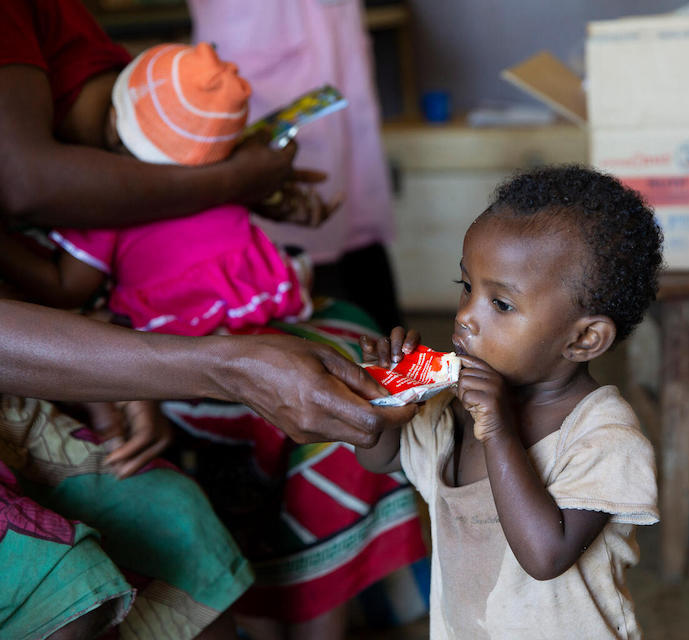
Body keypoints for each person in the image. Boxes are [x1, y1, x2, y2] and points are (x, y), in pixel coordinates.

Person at [0, 1, 415, 636]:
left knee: (342, 379)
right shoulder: (175, 186)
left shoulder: (117, 200)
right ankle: (354, 603)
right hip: (213, 334)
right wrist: (237, 182)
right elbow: (29, 186)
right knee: (344, 398)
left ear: (118, 138)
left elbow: (61, 279)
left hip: (171, 340)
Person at [356, 165, 663, 639]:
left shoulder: (604, 438)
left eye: (500, 305)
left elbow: (546, 555)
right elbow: (381, 458)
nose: (464, 319)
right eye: (466, 288)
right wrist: (387, 400)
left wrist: (498, 430)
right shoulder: (451, 410)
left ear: (583, 340)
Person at [0, 42, 316, 336]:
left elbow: (66, 288)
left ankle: (136, 397)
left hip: (173, 334)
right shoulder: (230, 187)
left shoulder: (106, 203)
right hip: (261, 304)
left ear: (113, 121)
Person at [189, 0, 404, 333]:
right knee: (287, 266)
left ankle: (392, 362)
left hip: (332, 44)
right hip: (258, 48)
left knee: (356, 233)